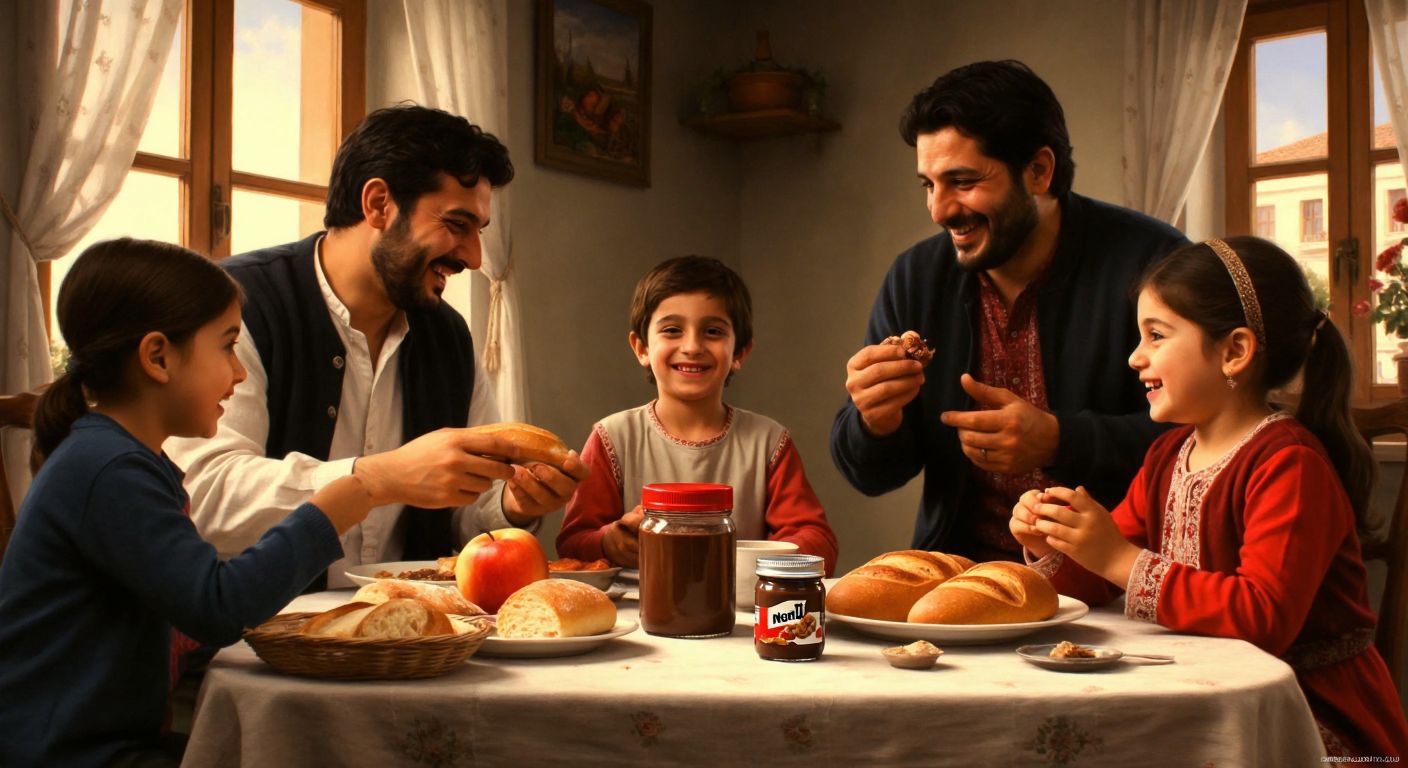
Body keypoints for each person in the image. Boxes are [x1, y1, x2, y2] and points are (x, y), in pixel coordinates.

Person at [0, 239, 396, 767]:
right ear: (158, 357)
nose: (238, 373)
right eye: (228, 346)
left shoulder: (127, 462)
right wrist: (327, 513)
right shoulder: (108, 470)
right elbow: (217, 606)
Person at [1011, 237, 1408, 758]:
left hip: (1304, 707)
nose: (1135, 357)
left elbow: (1264, 617)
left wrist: (1120, 559)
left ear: (1234, 351)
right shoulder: (1168, 455)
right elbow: (1104, 574)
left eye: (1156, 335)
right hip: (1204, 689)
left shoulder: (1290, 464)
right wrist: (1056, 543)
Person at [167, 106, 586, 588]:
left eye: (478, 233)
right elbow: (203, 497)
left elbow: (467, 519)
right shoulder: (237, 308)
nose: (473, 257)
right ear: (379, 204)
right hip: (254, 639)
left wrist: (514, 504)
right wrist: (378, 478)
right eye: (456, 224)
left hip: (411, 640)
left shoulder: (448, 336)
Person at [830, 60, 1188, 561]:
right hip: (963, 576)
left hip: (1121, 578)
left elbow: (1203, 437)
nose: (939, 210)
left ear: (1039, 171)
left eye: (963, 180)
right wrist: (875, 421)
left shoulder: (1152, 262)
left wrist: (1061, 441)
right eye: (929, 185)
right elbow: (870, 476)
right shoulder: (915, 277)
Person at [557, 256, 838, 574]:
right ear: (641, 348)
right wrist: (610, 543)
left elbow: (818, 542)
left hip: (738, 615)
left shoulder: (768, 442)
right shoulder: (613, 438)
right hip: (638, 616)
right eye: (673, 329)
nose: (692, 346)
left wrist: (747, 561)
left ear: (740, 353)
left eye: (713, 331)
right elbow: (572, 543)